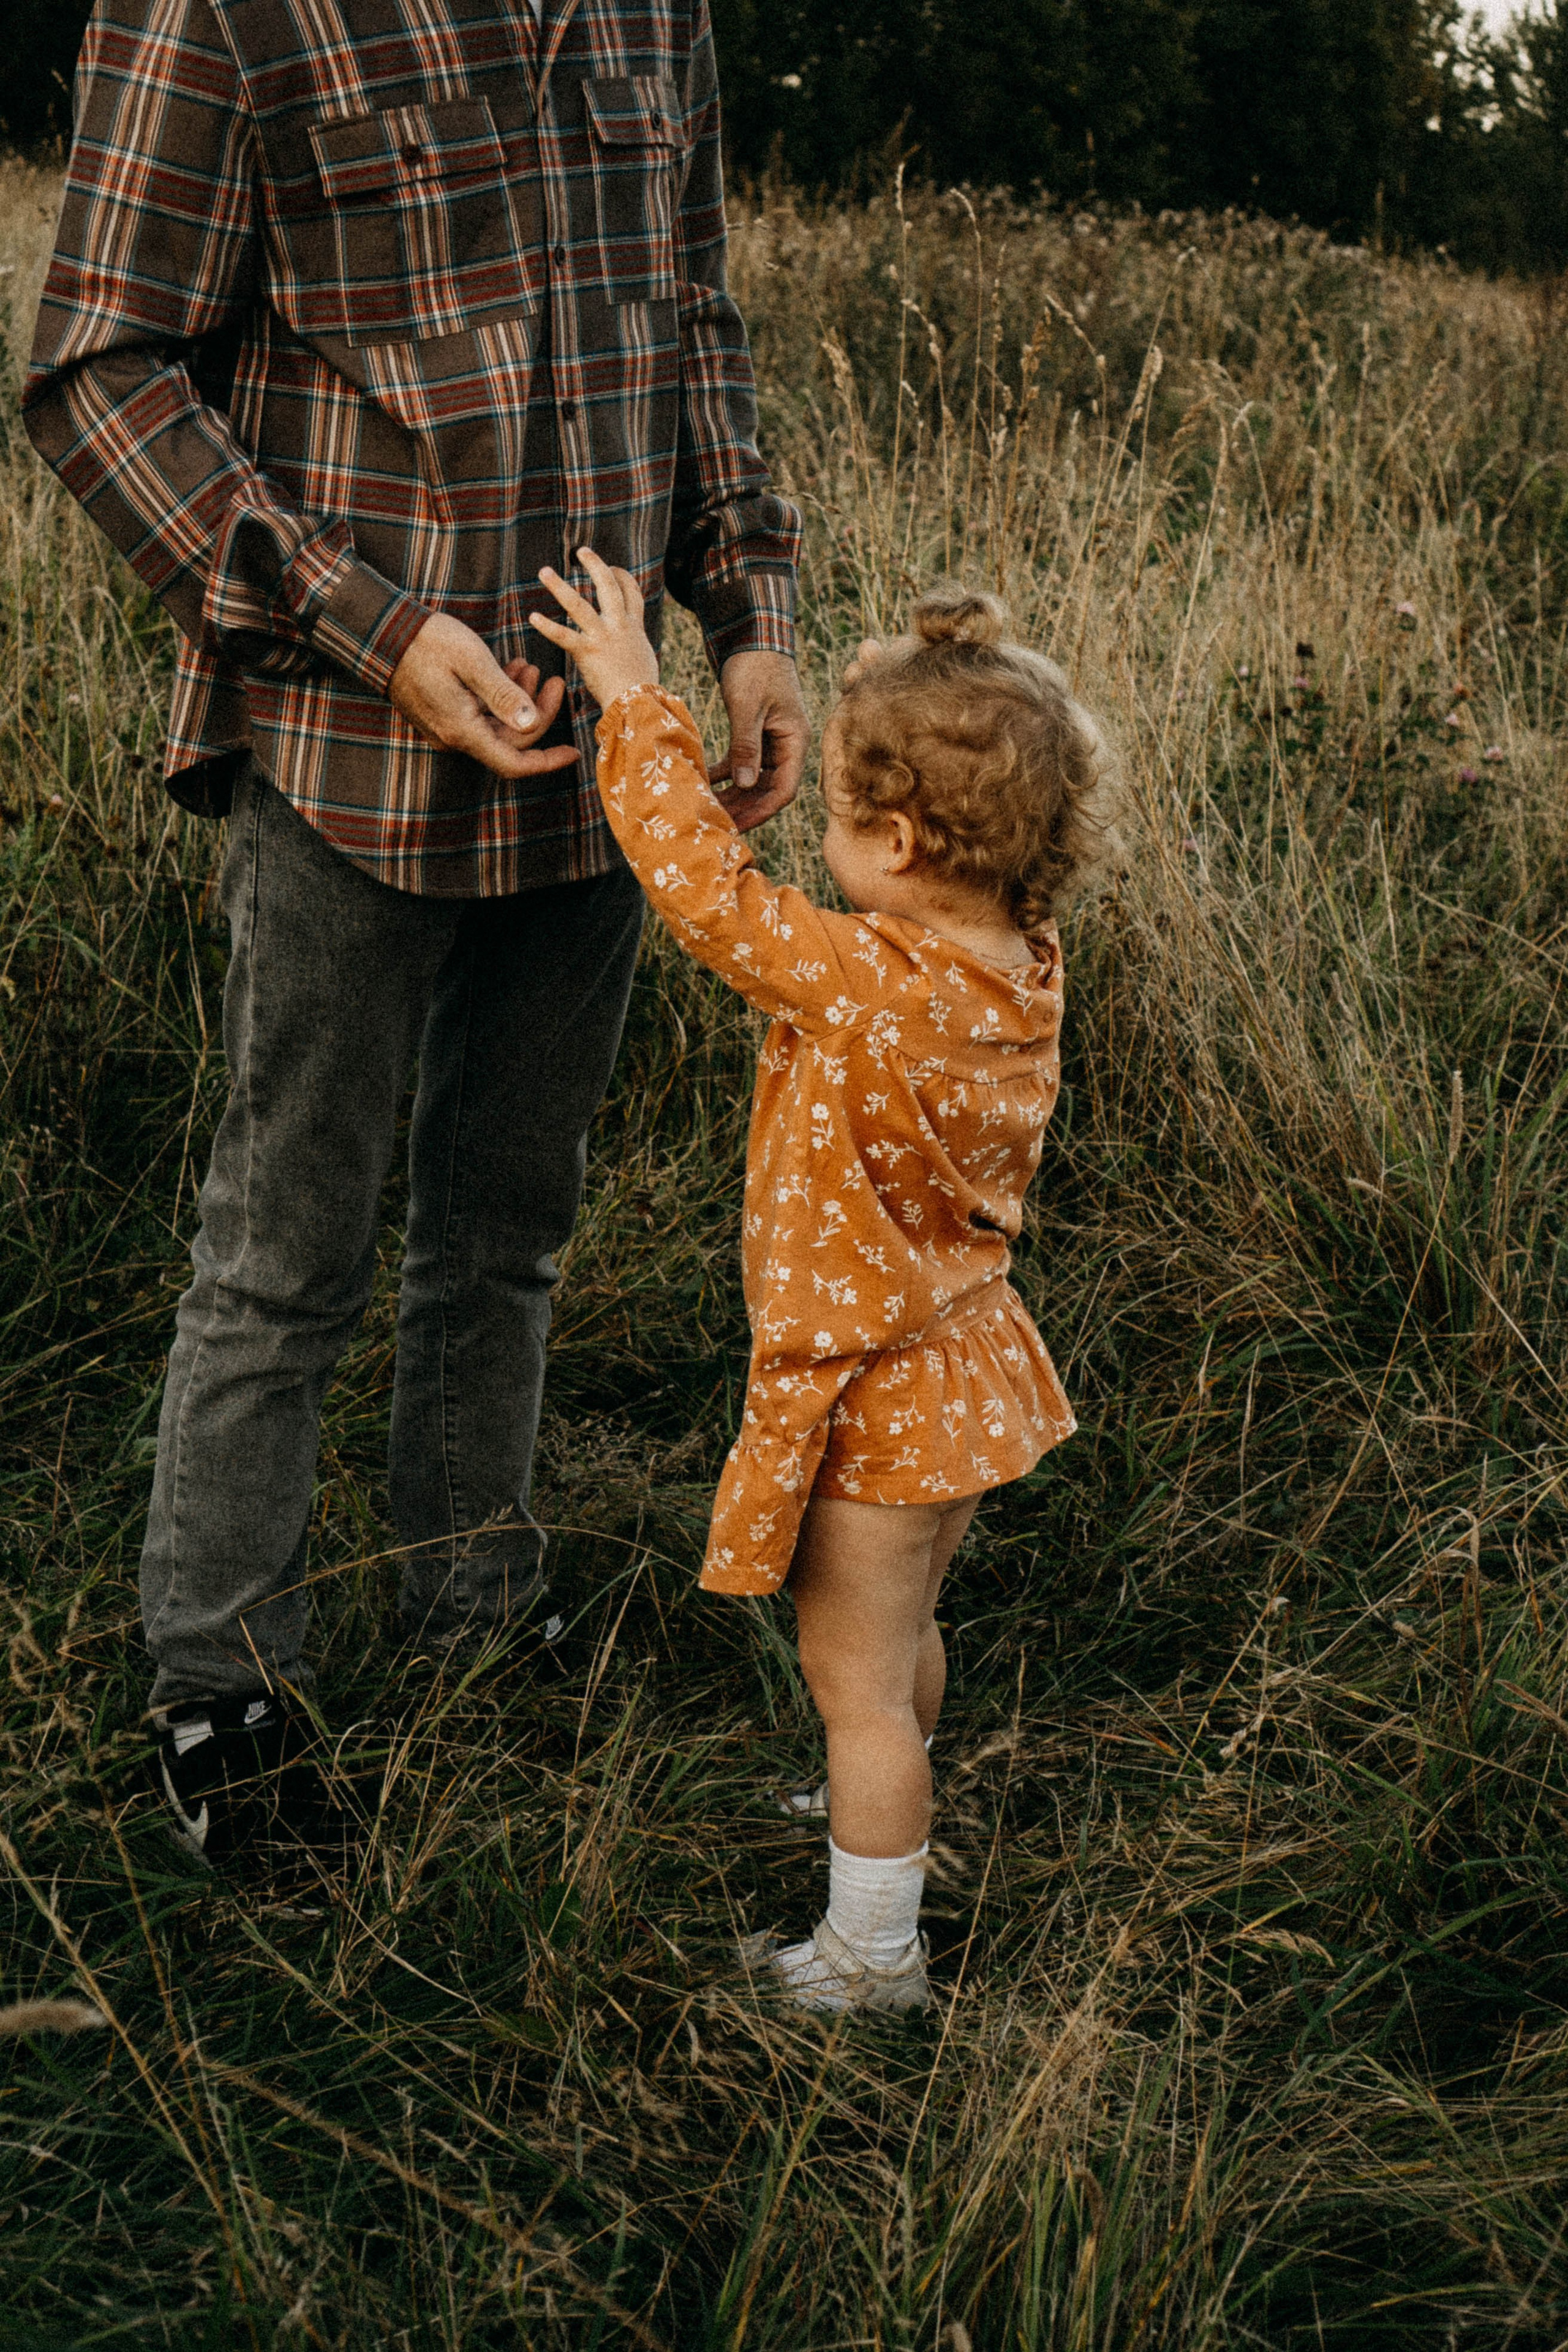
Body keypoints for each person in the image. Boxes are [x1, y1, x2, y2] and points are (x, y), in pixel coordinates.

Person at [22, 0, 807, 1868]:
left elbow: (686, 313)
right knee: (285, 1246)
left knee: (510, 1224)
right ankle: (221, 1686)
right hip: (346, 759)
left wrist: (752, 599)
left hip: (605, 767)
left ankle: (467, 1596)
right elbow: (98, 373)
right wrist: (363, 622)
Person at [532, 550, 1101, 2013]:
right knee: (902, 1638)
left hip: (876, 1386)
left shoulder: (870, 982)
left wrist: (632, 701)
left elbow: (705, 894)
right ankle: (882, 1820)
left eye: (844, 822)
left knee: (851, 1682)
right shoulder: (1018, 969)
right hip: (966, 1363)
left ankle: (870, 1954)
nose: (826, 850)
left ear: (901, 842)